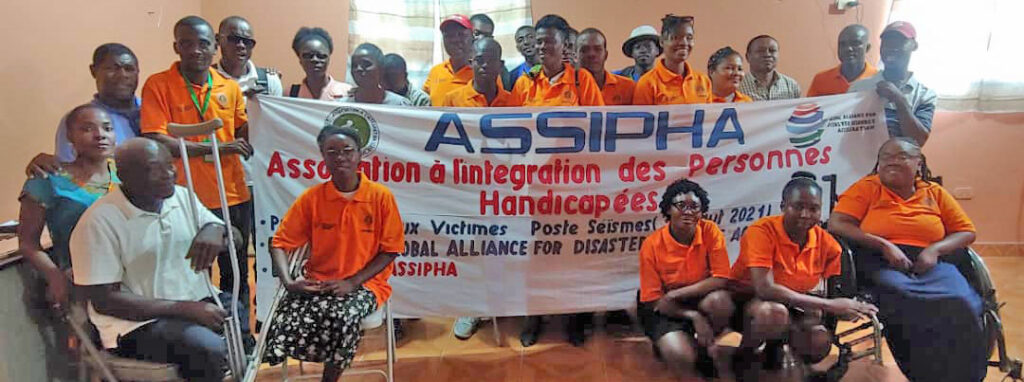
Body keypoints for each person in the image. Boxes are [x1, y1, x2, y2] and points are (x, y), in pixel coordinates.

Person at [70, 138, 240, 382]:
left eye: (169, 164)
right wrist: (185, 309)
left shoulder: (181, 197)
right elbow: (105, 301)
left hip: (190, 303)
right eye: (154, 168)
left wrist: (217, 229)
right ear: (124, 175)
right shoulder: (98, 222)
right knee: (206, 347)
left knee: (241, 323)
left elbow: (236, 239)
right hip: (133, 325)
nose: (169, 173)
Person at [827, 137, 987, 382]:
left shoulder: (934, 192)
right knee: (909, 298)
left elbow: (967, 231)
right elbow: (837, 223)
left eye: (901, 156)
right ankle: (924, 375)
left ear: (918, 164)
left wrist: (935, 250)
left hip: (931, 261)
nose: (892, 162)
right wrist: (883, 244)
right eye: (886, 157)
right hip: (879, 259)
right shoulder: (867, 188)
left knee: (963, 301)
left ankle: (966, 376)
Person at [140, 15, 254, 344]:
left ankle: (241, 337)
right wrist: (215, 148)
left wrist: (268, 118)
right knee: (190, 271)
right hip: (181, 199)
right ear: (176, 46)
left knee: (235, 270)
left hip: (232, 194)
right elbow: (156, 139)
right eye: (186, 43)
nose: (195, 50)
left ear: (215, 46)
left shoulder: (229, 87)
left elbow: (243, 129)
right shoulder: (158, 85)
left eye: (203, 43)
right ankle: (205, 339)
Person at [262, 124, 404, 382]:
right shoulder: (312, 198)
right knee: (283, 318)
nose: (340, 158)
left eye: (347, 151)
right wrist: (289, 283)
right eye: (332, 152)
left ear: (359, 155)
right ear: (323, 156)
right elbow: (279, 243)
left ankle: (329, 380)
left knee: (341, 316)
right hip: (319, 281)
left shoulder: (381, 197)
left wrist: (352, 282)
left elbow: (391, 250)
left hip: (366, 284)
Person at [727, 172, 878, 380]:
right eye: (798, 207)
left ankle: (779, 350)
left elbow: (832, 294)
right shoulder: (761, 231)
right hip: (746, 303)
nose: (806, 214)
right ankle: (743, 356)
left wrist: (851, 307)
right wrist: (830, 305)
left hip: (790, 303)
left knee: (819, 340)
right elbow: (765, 289)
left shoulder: (828, 244)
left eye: (813, 208)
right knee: (773, 313)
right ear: (783, 206)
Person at [445, 37, 518, 339]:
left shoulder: (514, 101)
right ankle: (470, 308)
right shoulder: (453, 98)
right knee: (469, 251)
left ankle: (497, 304)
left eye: (492, 60)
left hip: (503, 192)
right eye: (479, 60)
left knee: (500, 252)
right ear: (471, 62)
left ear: (501, 65)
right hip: (466, 190)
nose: (485, 65)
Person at [19, 104, 118, 313]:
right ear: (69, 136)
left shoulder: (127, 174)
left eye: (107, 128)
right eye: (87, 129)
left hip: (132, 276)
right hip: (81, 282)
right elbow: (28, 243)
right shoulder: (47, 180)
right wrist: (54, 276)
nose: (100, 135)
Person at [637, 178, 733, 380]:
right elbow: (656, 301)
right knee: (681, 358)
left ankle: (705, 346)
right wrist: (694, 316)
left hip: (693, 297)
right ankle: (670, 343)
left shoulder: (710, 232)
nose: (688, 212)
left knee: (721, 301)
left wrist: (676, 294)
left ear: (701, 212)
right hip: (664, 309)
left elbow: (721, 278)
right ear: (668, 210)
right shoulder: (652, 244)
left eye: (694, 207)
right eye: (681, 205)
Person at [26, 43, 141, 177]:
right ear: (93, 71)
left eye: (129, 69)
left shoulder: (156, 110)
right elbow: (69, 175)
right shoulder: (80, 120)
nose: (122, 75)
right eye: (111, 68)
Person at [848, 22, 935, 146]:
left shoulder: (925, 95)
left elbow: (918, 140)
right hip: (862, 163)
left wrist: (899, 100)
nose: (891, 48)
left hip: (899, 164)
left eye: (899, 42)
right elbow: (843, 133)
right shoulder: (858, 89)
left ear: (914, 46)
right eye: (887, 43)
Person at [511, 15, 604, 108]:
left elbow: (599, 118)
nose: (542, 47)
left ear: (565, 45)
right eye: (539, 42)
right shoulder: (524, 83)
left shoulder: (582, 79)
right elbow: (510, 120)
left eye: (549, 41)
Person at [633, 15, 712, 105]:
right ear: (662, 41)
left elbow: (710, 118)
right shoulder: (647, 84)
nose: (684, 43)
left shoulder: (703, 81)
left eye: (689, 38)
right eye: (675, 37)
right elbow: (640, 118)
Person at [214, 16, 283, 97]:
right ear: (218, 40)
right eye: (234, 39)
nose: (241, 46)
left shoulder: (270, 81)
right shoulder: (205, 79)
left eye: (247, 42)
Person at [806, 24, 876, 97]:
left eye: (855, 43)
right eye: (843, 44)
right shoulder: (821, 80)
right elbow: (810, 107)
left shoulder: (877, 80)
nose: (848, 48)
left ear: (867, 48)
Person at [424, 14, 475, 106]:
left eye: (461, 34)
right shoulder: (436, 71)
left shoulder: (484, 72)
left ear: (472, 37)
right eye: (449, 36)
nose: (455, 40)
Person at [288, 27, 352, 100]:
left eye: (321, 56)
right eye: (308, 56)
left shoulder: (347, 93)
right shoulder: (290, 94)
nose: (314, 60)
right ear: (300, 60)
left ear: (328, 59)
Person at [577, 28, 635, 105]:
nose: (591, 54)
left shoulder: (628, 88)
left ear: (606, 55)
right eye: (584, 50)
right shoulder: (566, 89)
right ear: (575, 55)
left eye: (598, 49)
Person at [341, 43, 412, 106]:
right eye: (354, 65)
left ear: (381, 69)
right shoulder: (342, 107)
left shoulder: (400, 105)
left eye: (366, 64)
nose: (358, 69)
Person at [738, 35, 802, 101]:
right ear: (747, 57)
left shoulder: (791, 86)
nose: (767, 54)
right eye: (760, 51)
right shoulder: (737, 87)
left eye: (772, 50)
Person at [470, 13, 513, 91]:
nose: (481, 38)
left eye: (487, 36)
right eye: (476, 34)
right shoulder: (453, 67)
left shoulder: (499, 69)